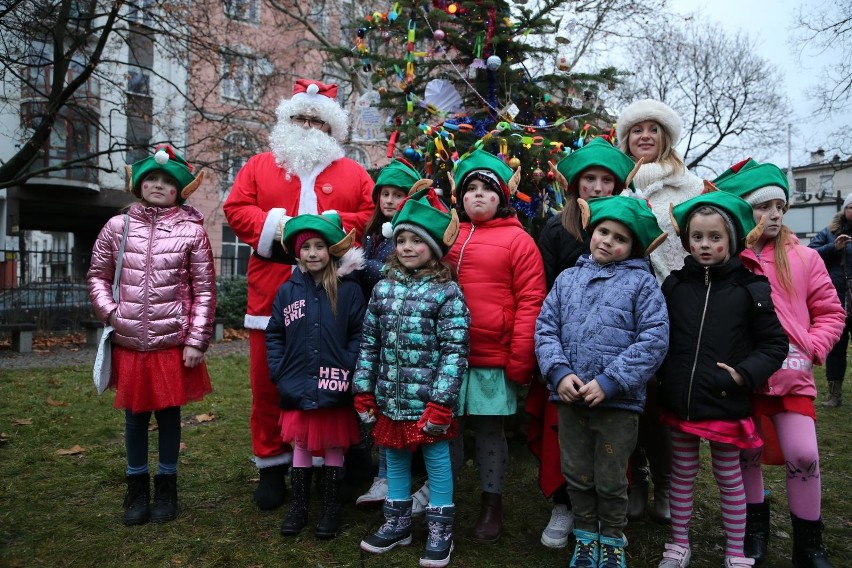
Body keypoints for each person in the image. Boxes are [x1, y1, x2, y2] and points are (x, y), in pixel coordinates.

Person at [223, 79, 374, 510]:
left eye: (316, 120)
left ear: (330, 129)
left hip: (333, 293)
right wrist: (280, 226)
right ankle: (272, 465)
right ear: (286, 121)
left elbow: (365, 213)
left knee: (334, 375)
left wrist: (327, 222)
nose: (307, 126)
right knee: (268, 382)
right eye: (300, 118)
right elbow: (236, 209)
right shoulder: (257, 165)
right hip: (271, 290)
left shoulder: (353, 171)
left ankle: (333, 462)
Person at [714, 159, 844, 567]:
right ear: (742, 211)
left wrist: (811, 346)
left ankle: (809, 543)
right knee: (747, 454)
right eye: (763, 206)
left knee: (803, 455)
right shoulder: (729, 262)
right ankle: (755, 530)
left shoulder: (805, 258)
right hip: (745, 379)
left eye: (780, 207)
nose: (774, 214)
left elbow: (830, 312)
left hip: (792, 376)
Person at [535, 195, 670, 567]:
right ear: (591, 232)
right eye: (603, 232)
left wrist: (611, 381)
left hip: (617, 404)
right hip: (570, 399)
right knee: (576, 473)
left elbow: (653, 340)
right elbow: (546, 329)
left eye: (620, 238)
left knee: (611, 478)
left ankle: (611, 535)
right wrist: (559, 372)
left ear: (633, 247)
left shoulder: (643, 286)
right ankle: (585, 533)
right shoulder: (566, 280)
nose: (608, 241)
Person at [656, 191, 788, 568]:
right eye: (697, 237)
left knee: (729, 477)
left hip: (724, 398)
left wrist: (745, 374)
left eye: (715, 237)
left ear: (731, 239)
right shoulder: (675, 286)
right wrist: (662, 375)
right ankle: (679, 543)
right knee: (681, 475)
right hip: (680, 399)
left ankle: (735, 548)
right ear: (687, 241)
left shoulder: (750, 288)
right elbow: (659, 334)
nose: (705, 245)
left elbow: (774, 342)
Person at [88, 145, 215, 526]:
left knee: (170, 415)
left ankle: (167, 486)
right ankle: (136, 486)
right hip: (129, 342)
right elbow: (97, 274)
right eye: (152, 179)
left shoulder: (192, 233)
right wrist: (111, 313)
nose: (159, 185)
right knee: (135, 417)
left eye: (168, 181)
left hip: (171, 342)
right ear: (139, 185)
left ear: (180, 190)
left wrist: (196, 340)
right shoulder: (117, 226)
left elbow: (204, 290)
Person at [354, 187, 470, 568]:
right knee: (395, 458)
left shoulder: (446, 292)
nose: (405, 247)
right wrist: (364, 391)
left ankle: (440, 529)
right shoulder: (383, 289)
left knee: (436, 461)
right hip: (389, 397)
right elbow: (369, 343)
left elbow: (455, 351)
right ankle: (397, 522)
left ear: (433, 249)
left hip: (430, 403)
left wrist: (441, 402)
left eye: (415, 241)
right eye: (400, 239)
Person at [531, 137, 637, 549]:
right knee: (565, 436)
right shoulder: (558, 227)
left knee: (612, 437)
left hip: (612, 355)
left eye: (605, 179)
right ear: (575, 185)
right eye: (588, 179)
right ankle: (565, 502)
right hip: (566, 353)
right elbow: (546, 294)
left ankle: (611, 510)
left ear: (616, 185)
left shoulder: (626, 227)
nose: (596, 186)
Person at [444, 149, 547, 544]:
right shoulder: (451, 237)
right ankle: (444, 496)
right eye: (471, 189)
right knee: (446, 427)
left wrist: (520, 358)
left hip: (493, 356)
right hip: (450, 356)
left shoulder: (518, 241)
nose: (478, 196)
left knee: (489, 431)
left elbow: (531, 301)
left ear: (502, 198)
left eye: (488, 189)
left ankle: (492, 501)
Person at [616, 98, 704, 524]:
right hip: (624, 308)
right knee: (633, 395)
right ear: (626, 140)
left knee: (667, 399)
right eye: (637, 130)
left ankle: (670, 484)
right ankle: (637, 481)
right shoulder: (617, 188)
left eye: (653, 129)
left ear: (666, 137)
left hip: (676, 303)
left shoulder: (692, 185)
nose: (645, 136)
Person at [266, 212, 366, 539]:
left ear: (331, 250)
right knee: (302, 445)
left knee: (334, 445)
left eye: (319, 246)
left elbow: (358, 333)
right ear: (298, 253)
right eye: (306, 247)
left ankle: (331, 508)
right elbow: (275, 334)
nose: (312, 253)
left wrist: (349, 365)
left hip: (334, 382)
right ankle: (299, 507)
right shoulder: (287, 291)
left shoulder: (348, 290)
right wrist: (279, 369)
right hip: (296, 381)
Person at [356, 158, 421, 508]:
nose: (390, 201)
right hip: (372, 326)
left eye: (398, 194)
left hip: (398, 328)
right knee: (373, 401)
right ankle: (374, 470)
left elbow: (395, 271)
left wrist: (360, 266)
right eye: (385, 194)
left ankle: (388, 476)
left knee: (393, 405)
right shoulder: (371, 235)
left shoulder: (409, 234)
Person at [806, 193, 852, 408]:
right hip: (837, 299)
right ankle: (834, 395)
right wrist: (834, 248)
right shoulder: (829, 232)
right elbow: (810, 255)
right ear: (844, 209)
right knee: (836, 349)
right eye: (851, 206)